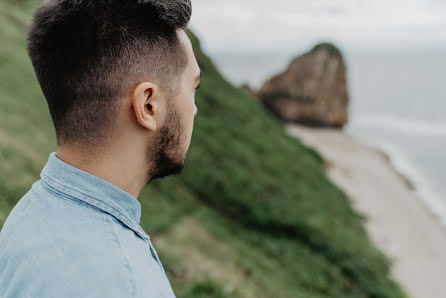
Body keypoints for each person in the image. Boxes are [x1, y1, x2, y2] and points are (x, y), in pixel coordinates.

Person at [0, 0, 201, 297]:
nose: (194, 110)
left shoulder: (33, 213)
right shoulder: (122, 283)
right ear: (148, 105)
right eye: (193, 88)